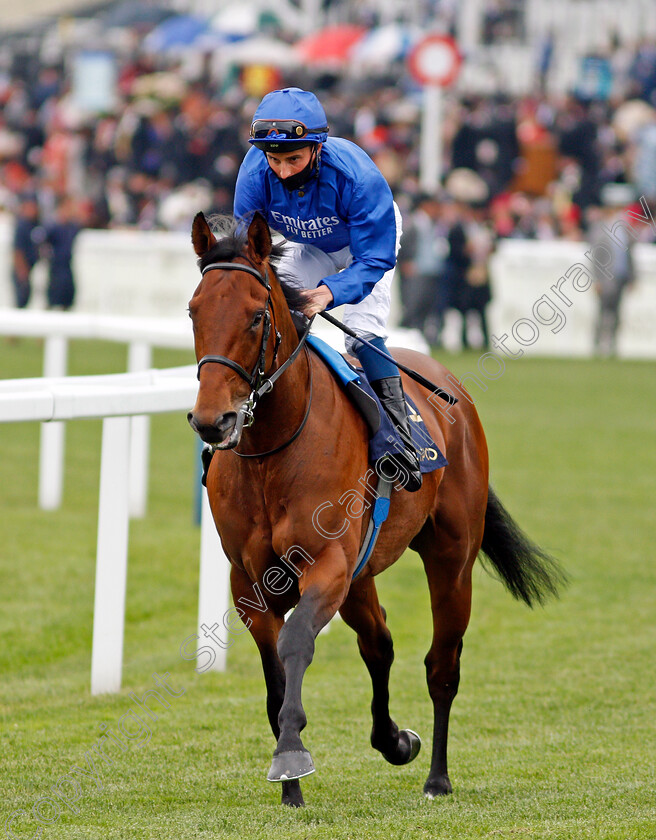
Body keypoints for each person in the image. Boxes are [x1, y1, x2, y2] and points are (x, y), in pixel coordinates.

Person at [233, 87, 422, 490]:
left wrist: (329, 293)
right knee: (273, 313)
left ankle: (400, 439)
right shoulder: (253, 173)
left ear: (317, 148)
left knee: (362, 332)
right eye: (274, 160)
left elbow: (374, 259)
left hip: (365, 246)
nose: (282, 171)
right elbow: (247, 250)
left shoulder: (359, 178)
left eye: (293, 159)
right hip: (312, 247)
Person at [44, 197, 81, 310]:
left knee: (68, 295)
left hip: (67, 264)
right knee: (54, 295)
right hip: (56, 265)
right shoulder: (53, 226)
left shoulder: (72, 227)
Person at [10, 193, 42, 309]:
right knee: (21, 300)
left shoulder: (34, 224)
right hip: (22, 270)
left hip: (30, 268)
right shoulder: (21, 225)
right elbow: (18, 250)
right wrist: (22, 271)